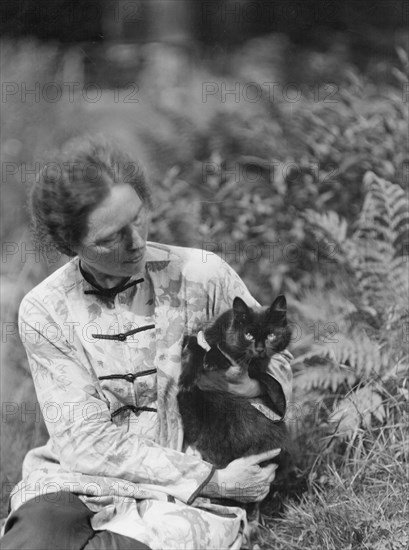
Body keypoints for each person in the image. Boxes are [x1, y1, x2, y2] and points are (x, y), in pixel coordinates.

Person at [1, 136, 293, 550]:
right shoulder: (45, 309)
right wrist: (212, 480)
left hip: (192, 493)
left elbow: (279, 357)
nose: (136, 241)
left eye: (138, 218)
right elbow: (85, 444)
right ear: (71, 245)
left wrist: (252, 388)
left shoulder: (203, 274)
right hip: (78, 480)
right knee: (33, 540)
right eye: (111, 238)